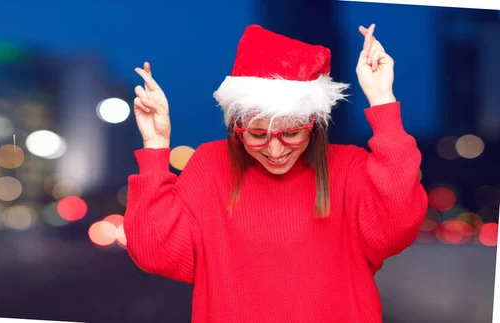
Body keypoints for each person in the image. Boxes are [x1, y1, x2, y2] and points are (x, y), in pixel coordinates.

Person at [123, 24, 428, 323]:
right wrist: (155, 144)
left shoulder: (347, 168)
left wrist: (382, 99)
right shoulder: (211, 164)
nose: (276, 150)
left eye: (292, 133)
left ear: (314, 126)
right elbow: (154, 250)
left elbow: (398, 222)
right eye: (257, 135)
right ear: (235, 129)